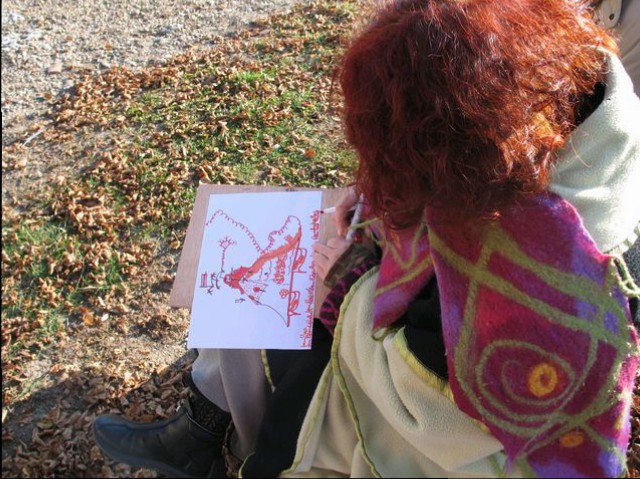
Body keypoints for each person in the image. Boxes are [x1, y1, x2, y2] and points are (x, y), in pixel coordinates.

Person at [93, 0, 640, 477]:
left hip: (467, 444)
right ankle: (200, 429)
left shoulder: (523, 286)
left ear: (462, 154)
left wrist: (346, 288)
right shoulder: (575, 81)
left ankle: (218, 440)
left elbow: (431, 410)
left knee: (284, 348)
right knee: (257, 280)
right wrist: (381, 183)